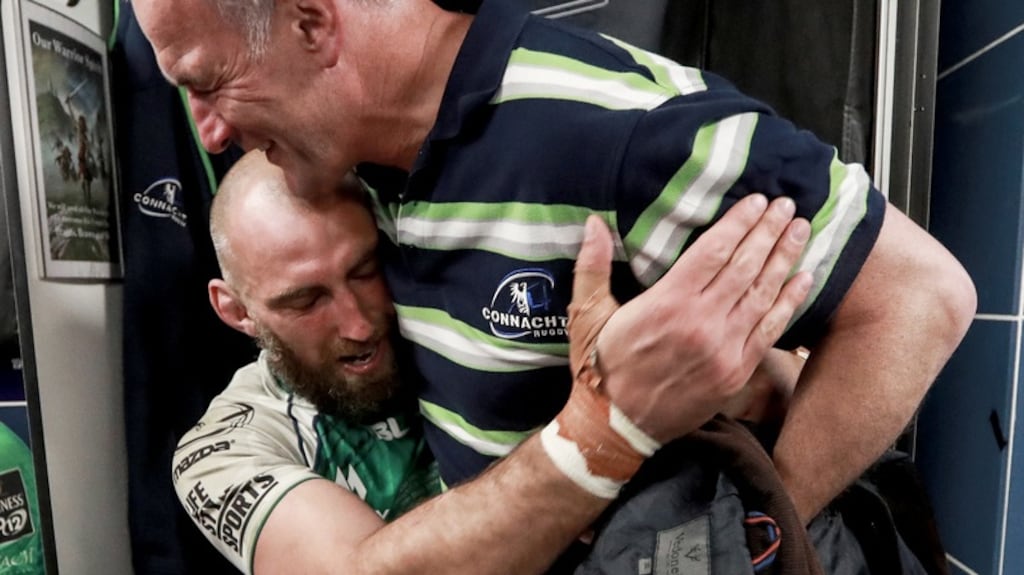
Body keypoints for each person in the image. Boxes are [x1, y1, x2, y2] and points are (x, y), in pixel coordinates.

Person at [134, 0, 975, 537]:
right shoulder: (366, 178)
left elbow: (919, 297)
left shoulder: (615, 133)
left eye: (209, 84)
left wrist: (755, 534)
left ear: (313, 23)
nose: (205, 131)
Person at [179, 149, 813, 574]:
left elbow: (769, 389)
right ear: (236, 312)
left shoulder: (463, 323)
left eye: (366, 270)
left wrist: (739, 371)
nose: (358, 321)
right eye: (305, 301)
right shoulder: (227, 447)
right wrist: (603, 425)